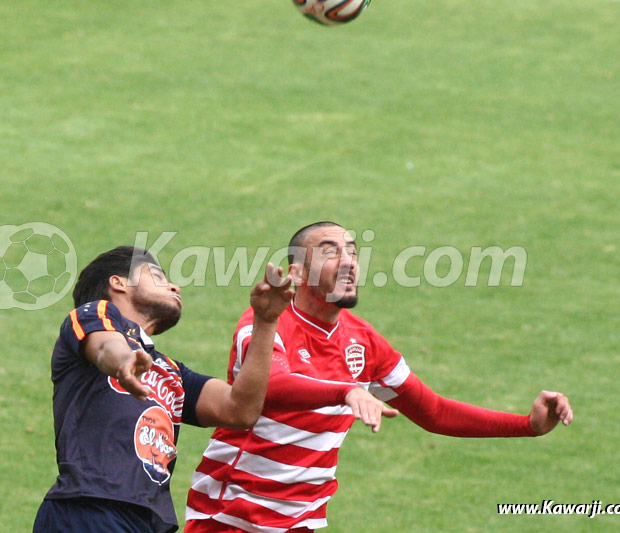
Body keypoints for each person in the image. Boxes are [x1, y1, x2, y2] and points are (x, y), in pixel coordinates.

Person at [185, 221, 574, 532]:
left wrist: (527, 425)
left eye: (353, 252)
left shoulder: (363, 341)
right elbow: (274, 385)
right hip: (230, 515)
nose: (350, 261)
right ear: (297, 273)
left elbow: (435, 412)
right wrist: (347, 393)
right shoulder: (266, 323)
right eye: (330, 251)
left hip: (300, 521)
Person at [33, 246, 293, 533]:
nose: (174, 285)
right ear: (118, 283)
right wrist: (125, 361)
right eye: (157, 275)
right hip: (90, 508)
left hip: (150, 521)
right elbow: (107, 347)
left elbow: (240, 410)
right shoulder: (92, 314)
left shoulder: (172, 371)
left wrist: (266, 322)